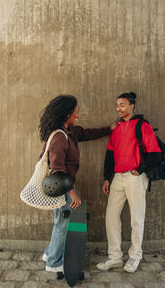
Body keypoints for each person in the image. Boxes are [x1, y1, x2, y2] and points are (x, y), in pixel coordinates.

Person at [39, 94, 116, 274]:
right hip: (61, 187)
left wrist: (109, 129)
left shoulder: (70, 132)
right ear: (67, 114)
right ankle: (53, 262)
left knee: (60, 220)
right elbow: (58, 169)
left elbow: (87, 133)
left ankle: (50, 253)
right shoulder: (59, 137)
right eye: (76, 112)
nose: (78, 115)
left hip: (64, 184)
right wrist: (72, 193)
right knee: (63, 223)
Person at [96, 92, 162, 273]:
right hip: (117, 177)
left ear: (132, 106)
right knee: (111, 216)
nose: (119, 108)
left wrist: (140, 169)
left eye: (122, 105)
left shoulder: (142, 125)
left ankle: (135, 257)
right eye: (117, 105)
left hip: (135, 178)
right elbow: (110, 155)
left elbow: (155, 153)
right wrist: (107, 178)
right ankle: (115, 257)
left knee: (136, 219)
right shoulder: (116, 128)